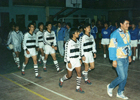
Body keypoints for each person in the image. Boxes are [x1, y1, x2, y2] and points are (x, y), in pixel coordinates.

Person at [107, 17, 132, 99]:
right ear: (121, 24)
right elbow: (112, 47)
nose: (128, 25)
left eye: (128, 23)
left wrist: (129, 55)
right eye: (126, 24)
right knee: (122, 76)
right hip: (118, 58)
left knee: (125, 76)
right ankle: (110, 86)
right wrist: (113, 59)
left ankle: (120, 92)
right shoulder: (115, 33)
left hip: (125, 58)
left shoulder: (127, 33)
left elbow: (128, 44)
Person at [59, 29, 84, 93]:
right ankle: (61, 79)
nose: (78, 33)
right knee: (69, 76)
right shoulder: (68, 42)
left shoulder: (78, 41)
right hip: (71, 60)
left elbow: (78, 51)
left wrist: (80, 58)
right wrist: (68, 62)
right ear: (73, 34)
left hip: (77, 60)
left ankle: (78, 87)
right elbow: (66, 53)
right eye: (77, 32)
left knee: (79, 73)